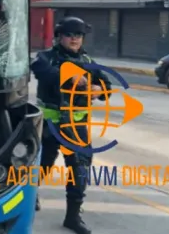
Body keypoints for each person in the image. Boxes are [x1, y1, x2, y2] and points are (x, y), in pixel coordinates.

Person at [31, 16, 112, 234]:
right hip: (50, 125)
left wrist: (99, 89)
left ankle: (73, 217)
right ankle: (30, 197)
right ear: (59, 36)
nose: (74, 39)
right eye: (69, 34)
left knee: (79, 170)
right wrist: (72, 78)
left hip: (77, 127)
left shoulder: (88, 61)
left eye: (79, 35)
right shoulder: (45, 57)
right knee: (42, 165)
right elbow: (42, 72)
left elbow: (107, 86)